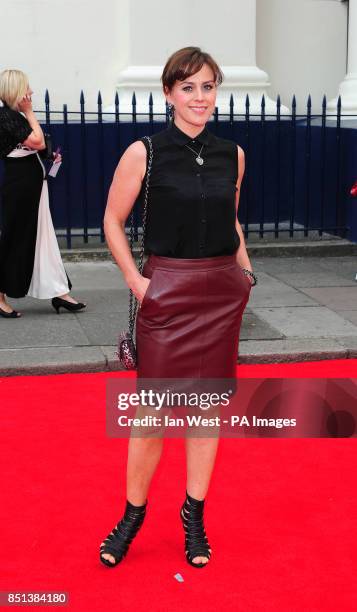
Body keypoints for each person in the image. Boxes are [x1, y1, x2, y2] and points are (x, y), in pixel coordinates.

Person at [101, 47, 257, 569]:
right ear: (168, 92)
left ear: (217, 92)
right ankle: (132, 516)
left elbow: (232, 221)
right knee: (151, 415)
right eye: (188, 87)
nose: (199, 98)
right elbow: (112, 221)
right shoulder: (144, 152)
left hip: (220, 293)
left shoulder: (231, 153)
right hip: (167, 291)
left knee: (206, 412)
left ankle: (194, 515)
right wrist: (138, 282)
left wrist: (246, 270)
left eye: (208, 87)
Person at [0, 69, 86, 317]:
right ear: (15, 90)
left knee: (43, 237)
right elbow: (36, 141)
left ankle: (59, 292)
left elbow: (33, 147)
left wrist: (48, 155)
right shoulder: (8, 116)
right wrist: (29, 112)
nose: (30, 93)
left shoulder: (13, 117)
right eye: (26, 88)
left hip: (32, 184)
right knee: (15, 238)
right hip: (21, 186)